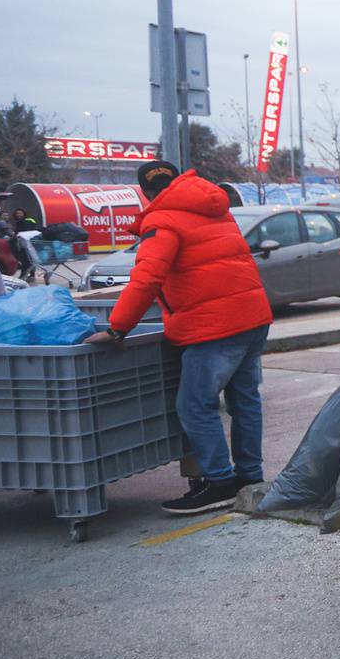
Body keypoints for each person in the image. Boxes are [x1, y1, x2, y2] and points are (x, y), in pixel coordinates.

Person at [86, 161, 274, 515]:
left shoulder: (162, 220)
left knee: (194, 405)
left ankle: (219, 482)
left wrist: (117, 328)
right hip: (251, 317)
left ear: (144, 193)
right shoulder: (215, 210)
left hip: (212, 326)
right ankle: (250, 477)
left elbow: (146, 278)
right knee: (245, 401)